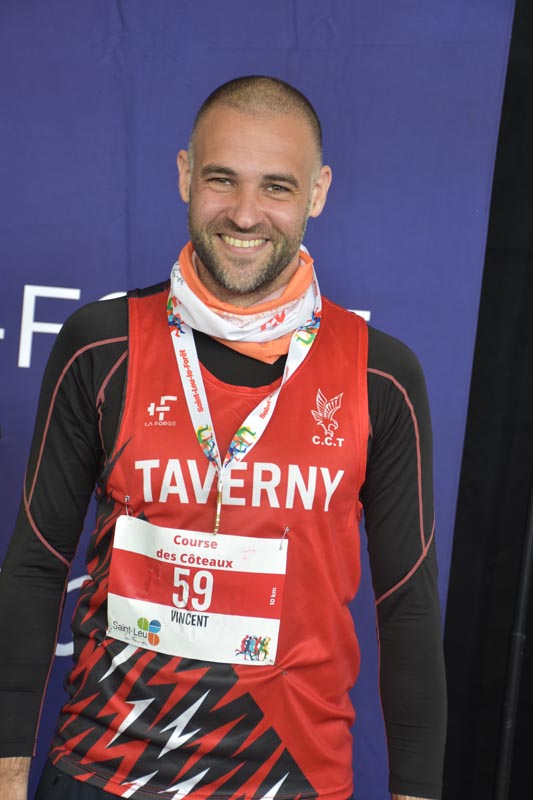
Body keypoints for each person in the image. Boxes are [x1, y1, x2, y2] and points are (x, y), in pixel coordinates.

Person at [0, 76, 446, 800]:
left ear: (317, 192)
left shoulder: (379, 376)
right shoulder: (103, 345)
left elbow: (409, 609)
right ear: (184, 175)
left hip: (290, 778)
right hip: (103, 771)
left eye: (277, 186)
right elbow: (34, 568)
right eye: (220, 179)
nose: (244, 212)